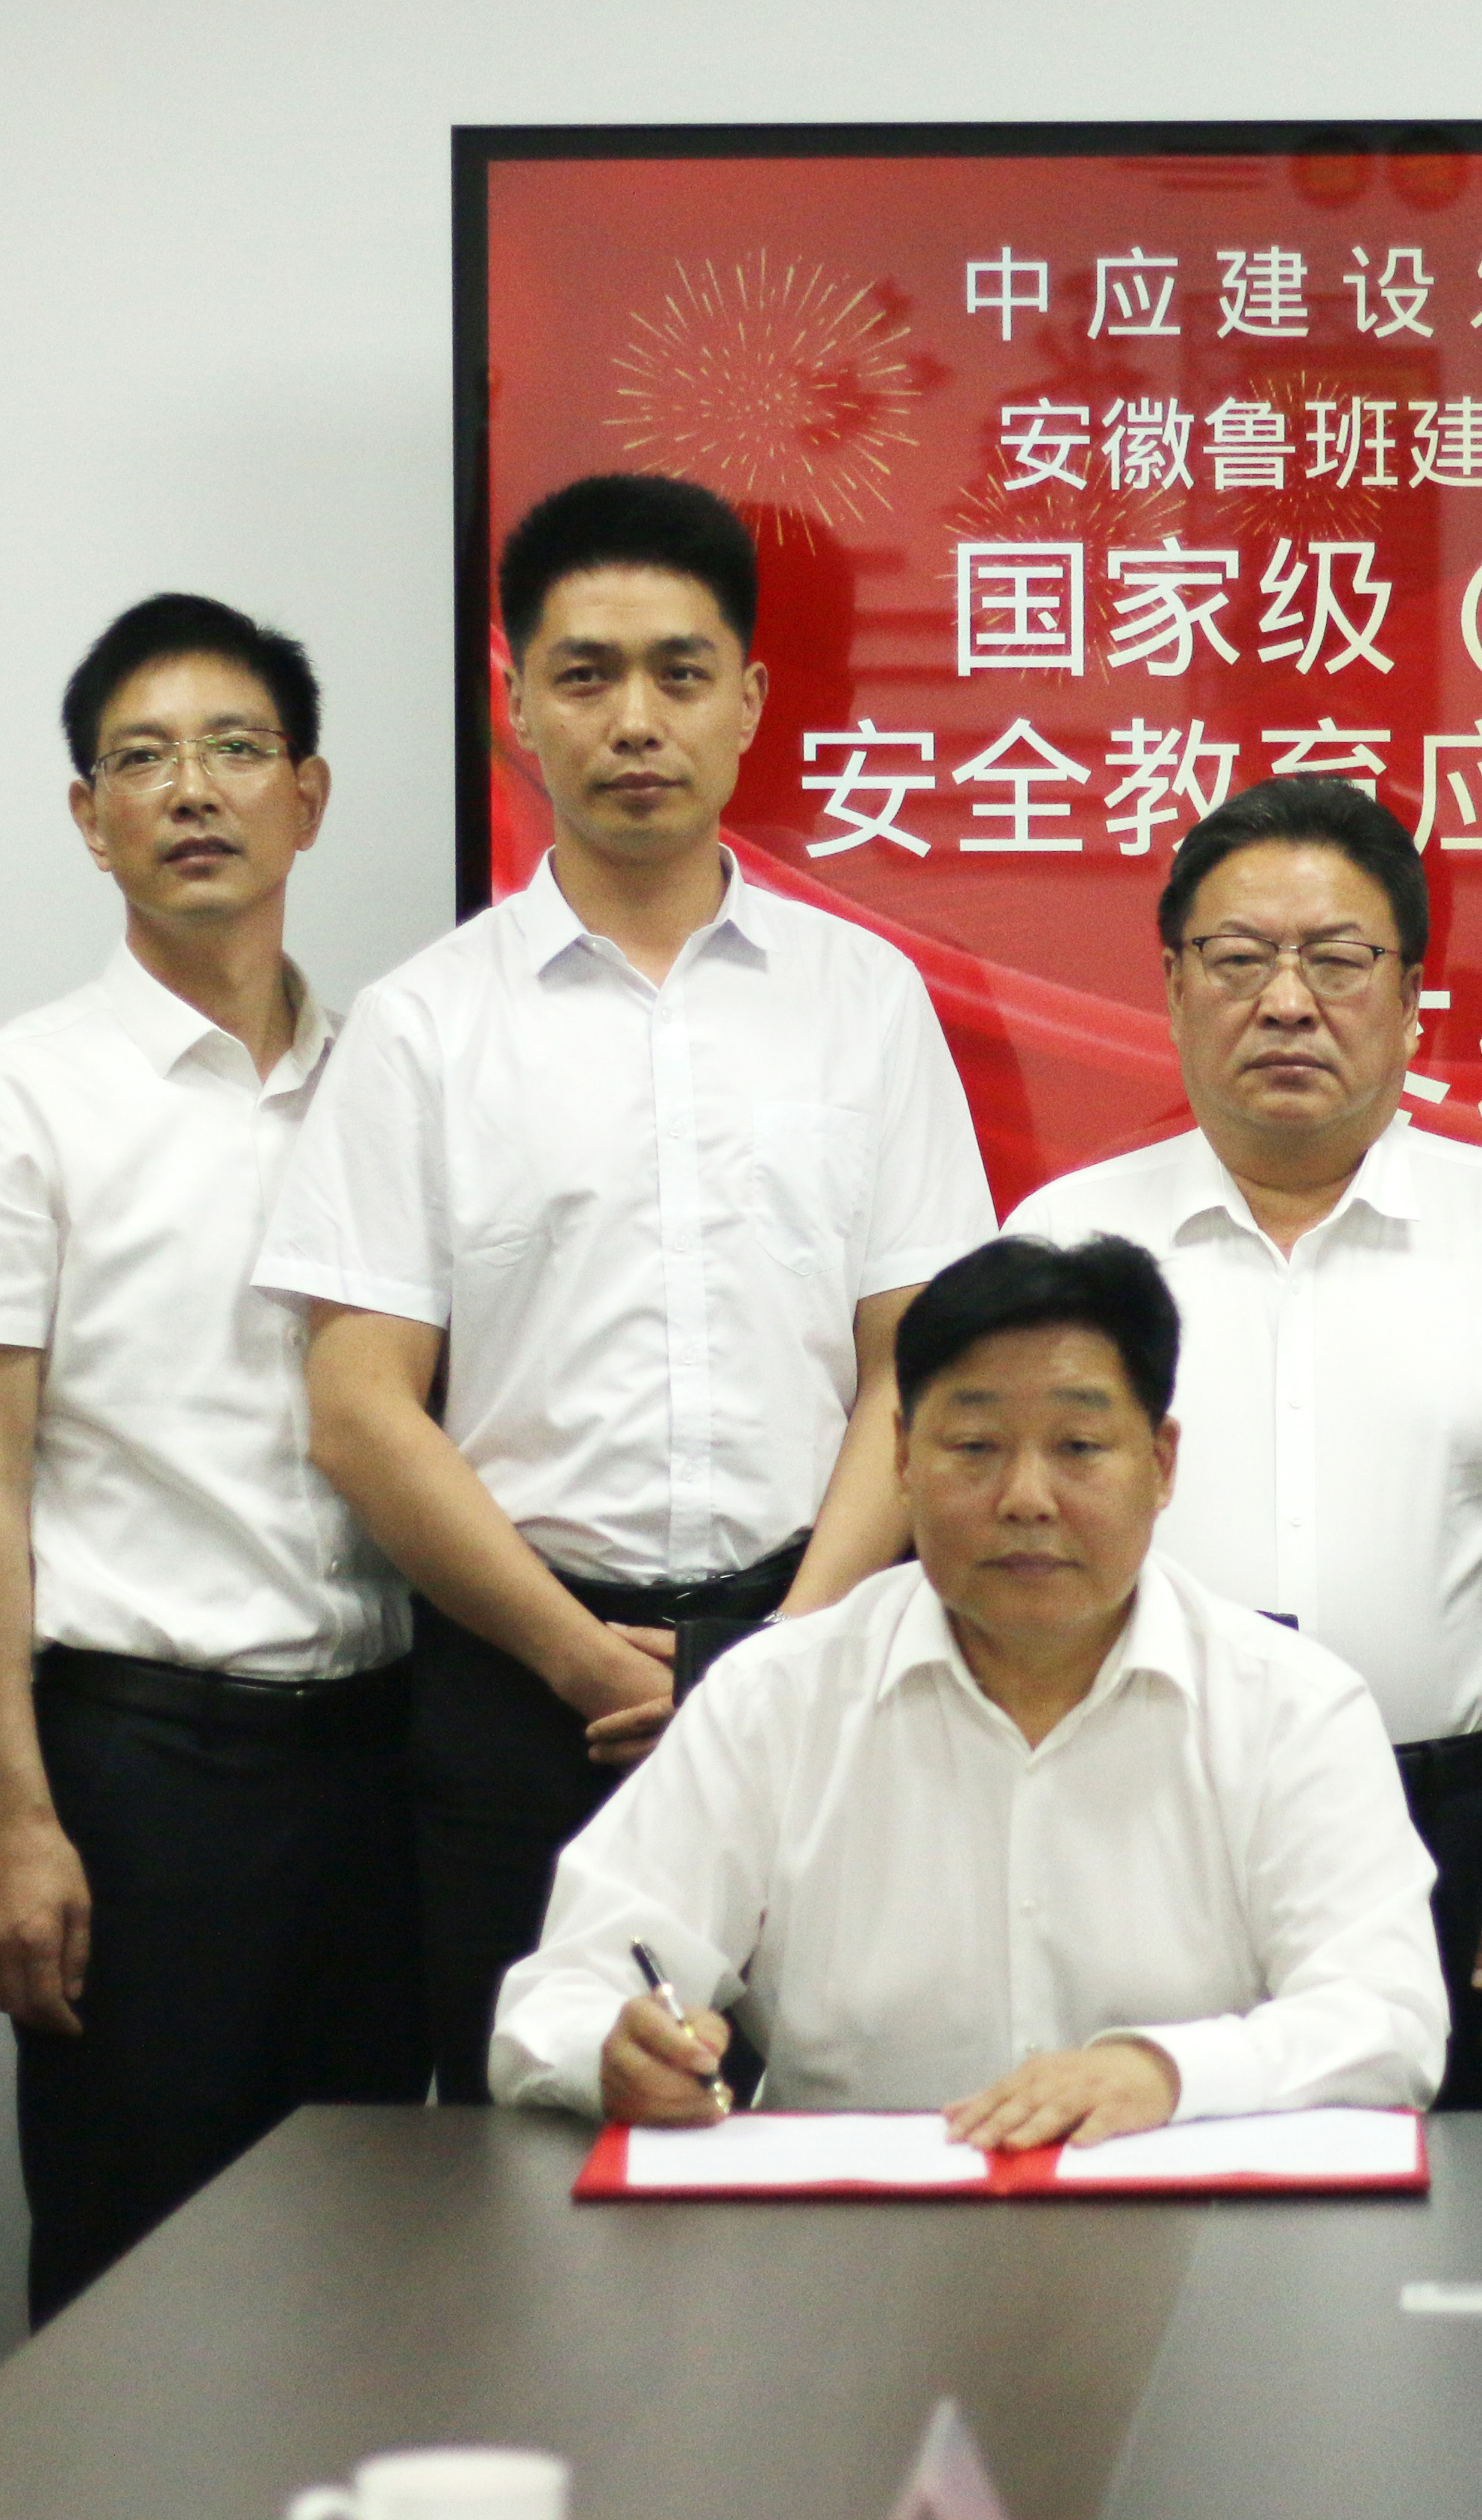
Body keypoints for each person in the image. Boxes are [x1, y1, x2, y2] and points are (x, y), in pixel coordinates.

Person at [261, 472, 994, 2098]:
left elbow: (921, 1371)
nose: (636, 719)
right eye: (585, 675)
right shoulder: (425, 1024)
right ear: (518, 707)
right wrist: (582, 1659)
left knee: (842, 2126)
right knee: (530, 2155)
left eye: (680, 671)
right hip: (520, 1681)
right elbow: (360, 1408)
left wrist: (772, 1661)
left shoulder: (863, 1000)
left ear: (750, 703)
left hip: (818, 1656)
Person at [0, 594, 416, 2322]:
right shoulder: (11, 1097)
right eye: (143, 759)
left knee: (375, 2276)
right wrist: (16, 1820)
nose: (192, 790)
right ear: (89, 816)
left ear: (309, 795)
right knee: (139, 2292)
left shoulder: (397, 1075)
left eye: (234, 750)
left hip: (384, 1763)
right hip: (144, 1775)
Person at [488, 1235, 1445, 2136]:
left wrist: (1164, 2074)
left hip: (1192, 2232)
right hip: (845, 2233)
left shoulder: (1291, 1708)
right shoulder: (771, 1702)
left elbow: (1388, 2020)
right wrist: (614, 2055)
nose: (1026, 1498)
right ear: (904, 1460)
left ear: (1161, 1465)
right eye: (976, 1448)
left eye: (1079, 1447)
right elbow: (557, 2001)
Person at [1004, 777, 1482, 2107]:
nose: (1286, 1003)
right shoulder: (1059, 1243)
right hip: (1125, 1811)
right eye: (1239, 959)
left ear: (1412, 998)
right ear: (1173, 987)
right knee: (1132, 2168)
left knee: (1429, 2197)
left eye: (1338, 961)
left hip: (1448, 1823)